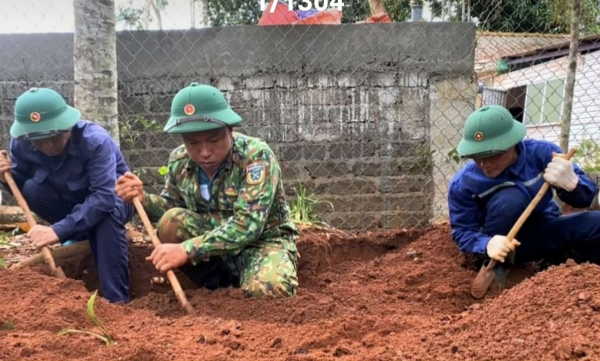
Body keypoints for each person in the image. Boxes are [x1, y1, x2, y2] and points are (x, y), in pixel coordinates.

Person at [114, 82, 299, 298]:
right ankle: (214, 289)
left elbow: (248, 225)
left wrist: (187, 250)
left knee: (269, 290)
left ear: (230, 131)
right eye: (193, 143)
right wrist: (142, 199)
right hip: (212, 250)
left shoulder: (256, 157)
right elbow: (171, 208)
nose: (204, 152)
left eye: (213, 140)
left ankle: (251, 280)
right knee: (172, 221)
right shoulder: (180, 160)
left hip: (260, 244)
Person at [0, 87, 133, 303]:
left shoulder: (95, 141)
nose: (47, 145)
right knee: (32, 188)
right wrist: (4, 176)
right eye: (39, 140)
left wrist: (58, 231)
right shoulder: (22, 143)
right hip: (67, 205)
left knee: (106, 216)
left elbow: (104, 198)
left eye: (53, 136)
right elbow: (20, 184)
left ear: (66, 125)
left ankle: (117, 301)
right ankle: (81, 233)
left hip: (114, 201)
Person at [448, 105, 600, 275]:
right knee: (511, 198)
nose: (484, 164)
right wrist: (487, 244)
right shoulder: (464, 183)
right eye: (477, 157)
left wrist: (573, 185)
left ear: (512, 144)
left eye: (493, 155)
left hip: (543, 230)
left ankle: (565, 267)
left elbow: (584, 199)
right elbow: (462, 230)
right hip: (500, 245)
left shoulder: (544, 154)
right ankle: (498, 270)